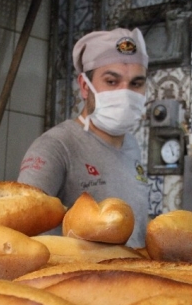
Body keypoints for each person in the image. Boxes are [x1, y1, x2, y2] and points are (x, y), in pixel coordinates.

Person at [17, 27, 150, 248]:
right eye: (111, 81)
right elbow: (22, 227)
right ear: (84, 87)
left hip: (130, 278)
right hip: (73, 279)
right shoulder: (57, 147)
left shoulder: (132, 146)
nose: (125, 93)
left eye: (136, 83)